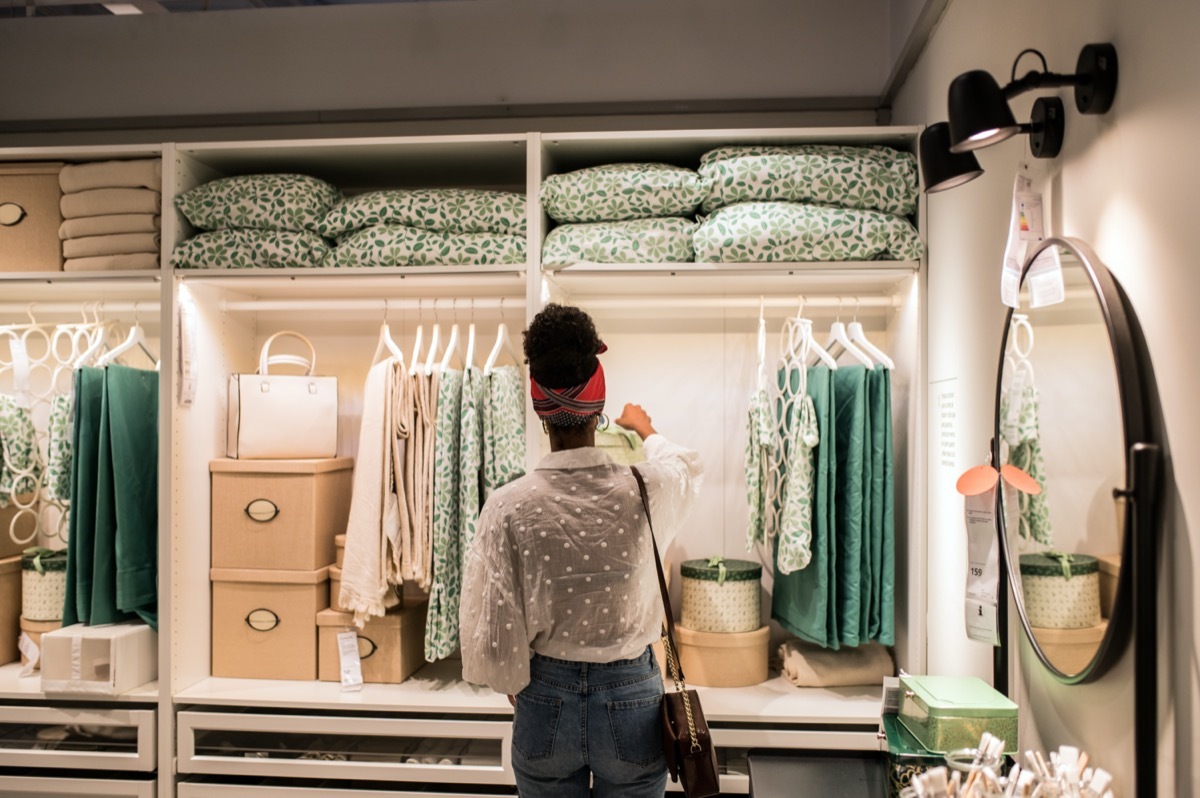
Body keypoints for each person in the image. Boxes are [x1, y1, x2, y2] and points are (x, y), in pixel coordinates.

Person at [460, 303, 702, 798]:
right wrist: (644, 429)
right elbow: (687, 466)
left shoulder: (508, 507)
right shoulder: (646, 488)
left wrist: (531, 687)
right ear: (600, 400)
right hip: (632, 697)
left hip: (544, 696)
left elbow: (495, 625)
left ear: (538, 407)